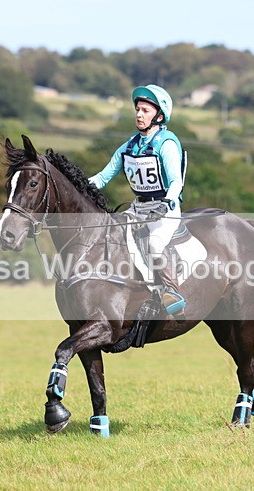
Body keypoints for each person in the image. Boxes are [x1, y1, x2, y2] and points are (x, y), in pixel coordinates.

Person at [88, 84, 187, 317]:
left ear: (159, 116)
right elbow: (102, 177)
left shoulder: (166, 143)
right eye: (138, 110)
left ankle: (173, 294)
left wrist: (166, 203)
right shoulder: (130, 145)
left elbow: (176, 181)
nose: (139, 115)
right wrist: (76, 185)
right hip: (138, 208)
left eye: (145, 111)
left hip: (165, 209)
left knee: (154, 244)